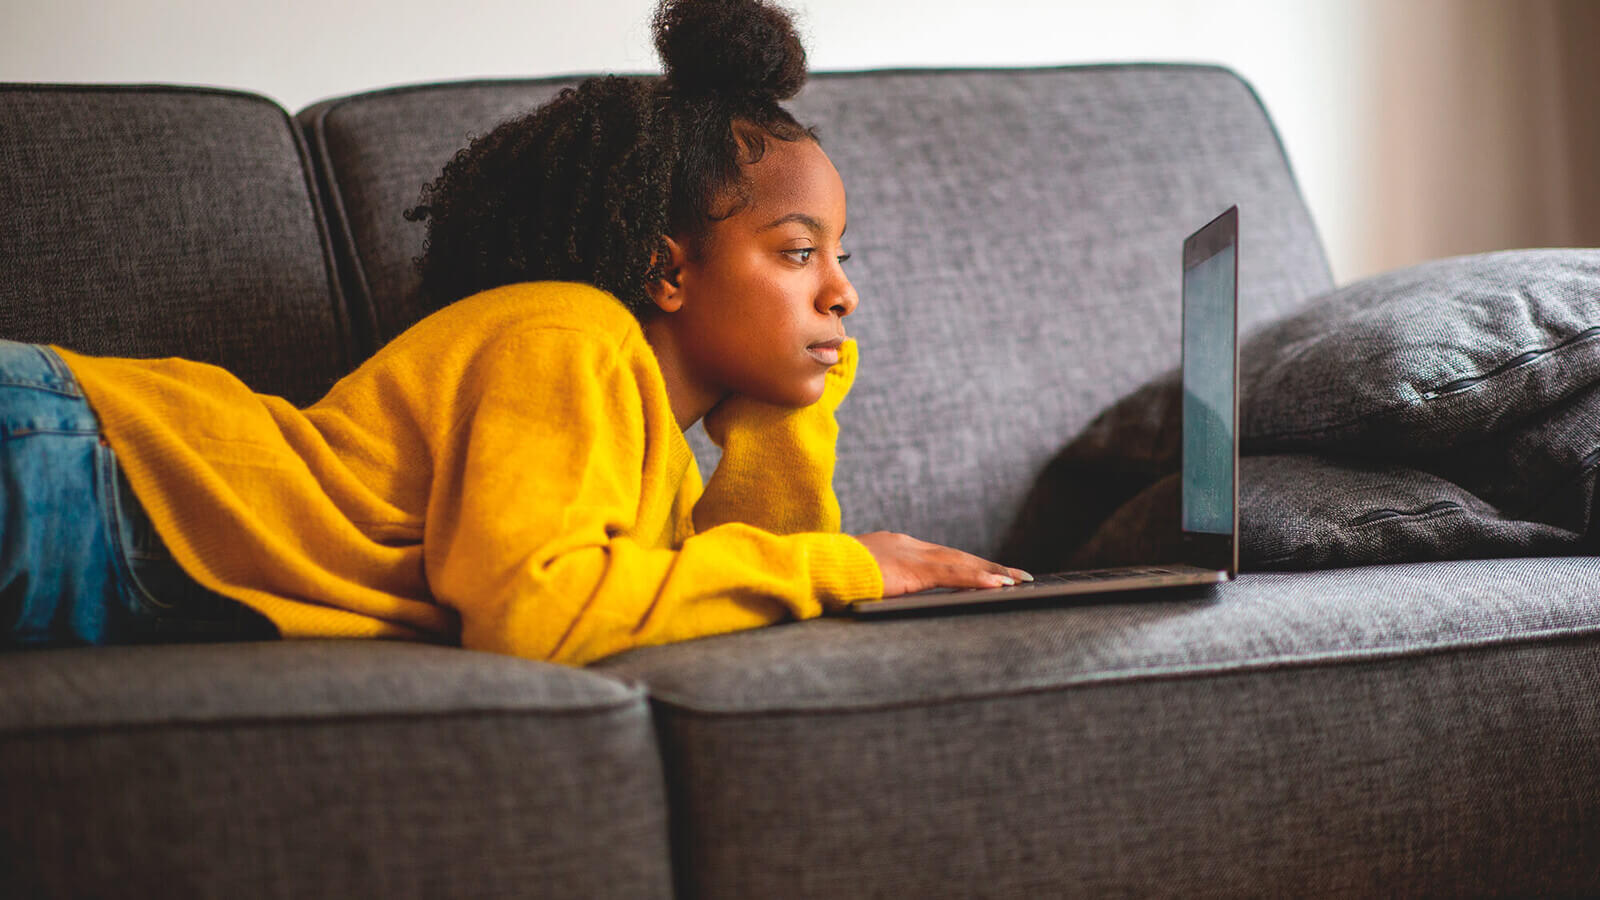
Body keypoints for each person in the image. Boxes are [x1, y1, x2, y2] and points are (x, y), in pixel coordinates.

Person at [1, 0, 1029, 664]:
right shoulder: (568, 339)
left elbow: (712, 615)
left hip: (99, 509)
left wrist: (782, 425)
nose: (843, 293)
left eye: (845, 257)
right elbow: (539, 613)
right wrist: (855, 565)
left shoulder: (651, 456)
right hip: (76, 465)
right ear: (666, 269)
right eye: (801, 252)